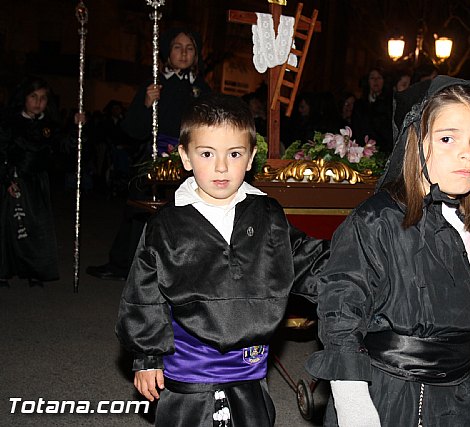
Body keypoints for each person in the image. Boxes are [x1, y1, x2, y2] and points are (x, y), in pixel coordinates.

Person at [305, 76, 470, 426]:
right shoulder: (378, 220)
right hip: (390, 396)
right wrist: (353, 401)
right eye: (447, 138)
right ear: (416, 142)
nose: (466, 153)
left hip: (458, 398)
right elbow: (341, 314)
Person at [115, 94, 330, 427]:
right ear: (185, 157)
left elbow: (306, 260)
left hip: (249, 369)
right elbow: (144, 294)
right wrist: (147, 357)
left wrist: (357, 270)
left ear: (251, 158)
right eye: (206, 154)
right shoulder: (167, 225)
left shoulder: (267, 215)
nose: (221, 167)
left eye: (234, 154)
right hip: (189, 371)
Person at [87, 27, 211, 281]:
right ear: (168, 52)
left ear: (196, 55)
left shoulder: (201, 88)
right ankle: (124, 264)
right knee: (139, 210)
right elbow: (131, 129)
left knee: (184, 215)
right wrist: (146, 104)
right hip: (153, 156)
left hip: (188, 160)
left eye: (189, 48)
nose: (184, 53)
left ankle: (178, 270)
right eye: (178, 47)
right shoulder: (155, 83)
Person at [0, 76, 81, 287]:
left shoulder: (49, 126)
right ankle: (4, 269)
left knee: (37, 225)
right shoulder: (11, 122)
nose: (38, 102)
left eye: (43, 98)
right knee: (11, 225)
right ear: (24, 98)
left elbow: (63, 149)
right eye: (33, 97)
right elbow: (3, 151)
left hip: (38, 182)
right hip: (15, 180)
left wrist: (75, 129)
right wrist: (7, 177)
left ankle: (34, 270)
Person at [351, 67, 393, 154]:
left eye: (379, 78)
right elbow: (356, 128)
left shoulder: (390, 103)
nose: (376, 81)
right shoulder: (359, 104)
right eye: (372, 78)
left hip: (383, 150)